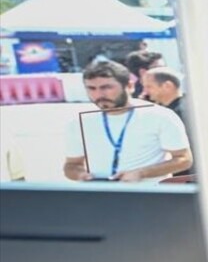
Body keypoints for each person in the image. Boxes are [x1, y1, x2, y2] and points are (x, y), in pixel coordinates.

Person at [63, 59, 192, 182]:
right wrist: (81, 175)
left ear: (129, 86)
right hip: (101, 197)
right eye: (91, 89)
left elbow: (183, 159)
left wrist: (141, 173)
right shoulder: (79, 123)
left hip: (150, 197)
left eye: (106, 87)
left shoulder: (160, 116)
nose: (99, 95)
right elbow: (71, 166)